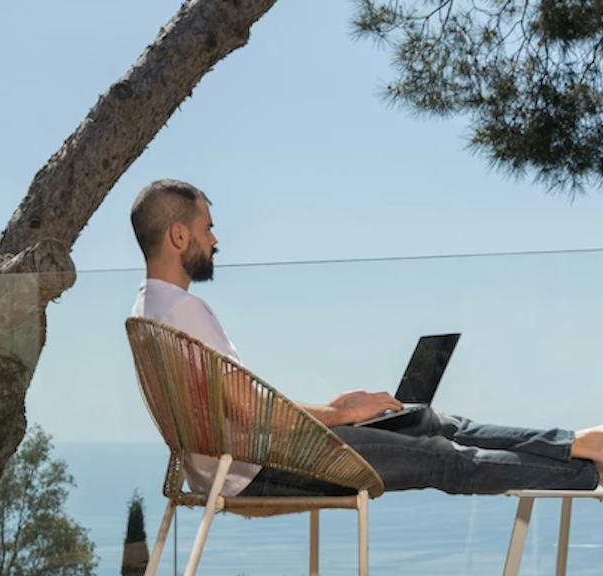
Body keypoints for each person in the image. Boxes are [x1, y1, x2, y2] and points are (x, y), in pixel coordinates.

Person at [128, 178, 603, 500]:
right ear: (177, 235)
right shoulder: (185, 313)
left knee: (422, 420)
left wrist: (336, 411)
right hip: (254, 469)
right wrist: (340, 415)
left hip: (242, 459)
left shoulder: (149, 308)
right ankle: (590, 471)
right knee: (442, 458)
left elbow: (240, 410)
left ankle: (577, 443)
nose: (214, 240)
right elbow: (249, 410)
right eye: (207, 227)